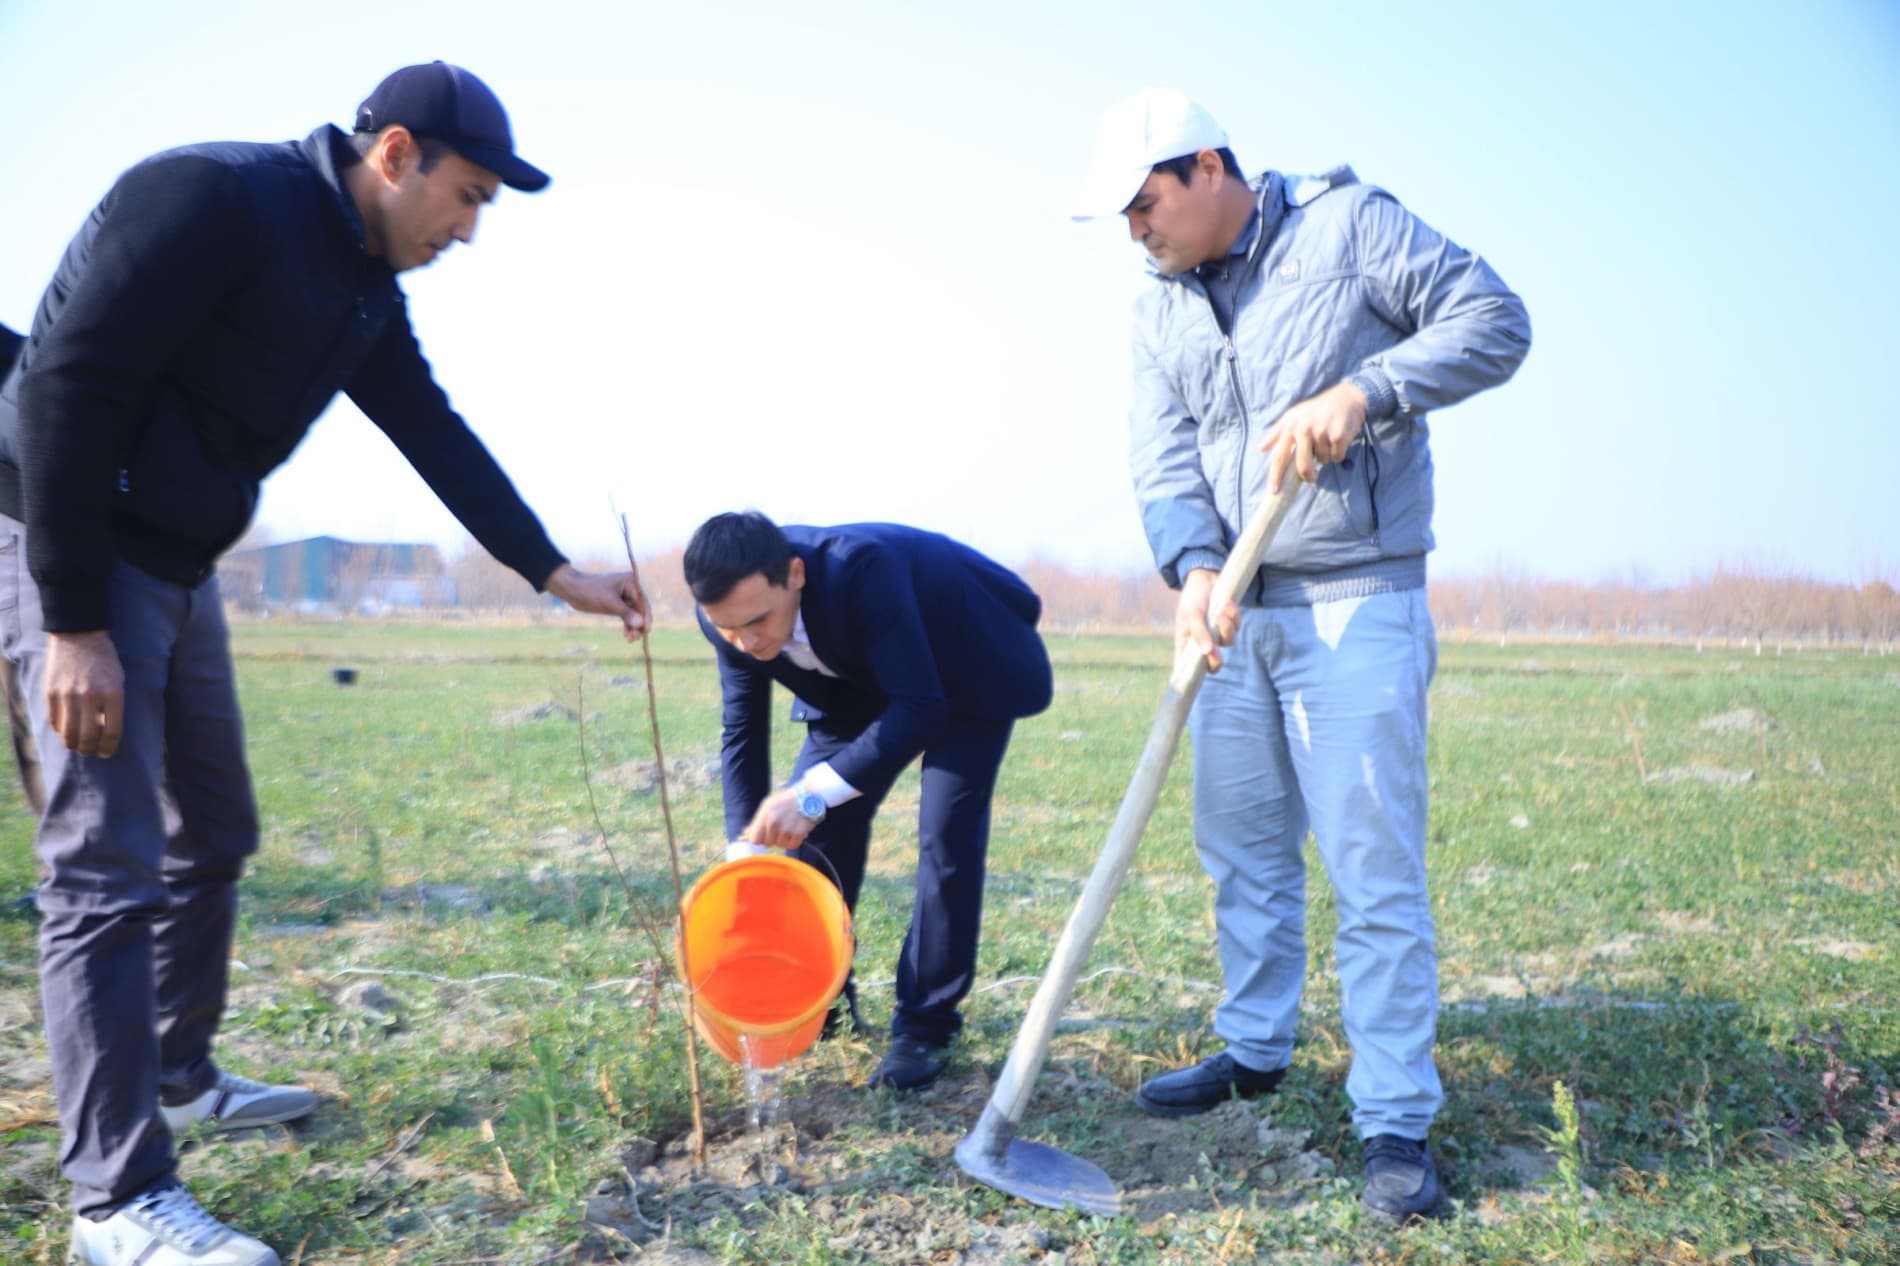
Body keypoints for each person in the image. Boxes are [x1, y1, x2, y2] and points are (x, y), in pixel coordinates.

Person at [0, 64, 649, 1266]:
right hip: (76, 550)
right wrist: (75, 620)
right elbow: (63, 384)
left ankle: (179, 1075)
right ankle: (114, 1200)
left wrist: (553, 570)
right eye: (467, 196)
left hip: (179, 564)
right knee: (105, 871)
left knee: (213, 832)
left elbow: (430, 427)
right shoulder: (211, 199)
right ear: (394, 155)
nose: (469, 230)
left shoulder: (359, 285)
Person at [1069, 89, 1531, 1222]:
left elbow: (1494, 318)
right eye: (1120, 215)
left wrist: (1367, 390)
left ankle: (1394, 1121)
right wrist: (1192, 570)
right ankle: (1255, 1046)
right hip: (1233, 612)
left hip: (1354, 599)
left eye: (1143, 203)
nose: (1134, 230)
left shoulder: (1349, 226)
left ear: (1208, 165)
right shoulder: (1159, 310)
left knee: (1370, 869)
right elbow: (1163, 455)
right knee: (1242, 850)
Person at [683, 512, 1052, 1093]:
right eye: (728, 628)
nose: (747, 642)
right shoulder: (728, 617)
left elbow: (920, 708)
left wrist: (810, 794)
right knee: (815, 834)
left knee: (945, 835)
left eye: (758, 622)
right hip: (854, 685)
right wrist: (745, 852)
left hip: (964, 666)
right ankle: (821, 1001)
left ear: (796, 575)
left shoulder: (860, 571)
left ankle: (924, 1028)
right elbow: (742, 728)